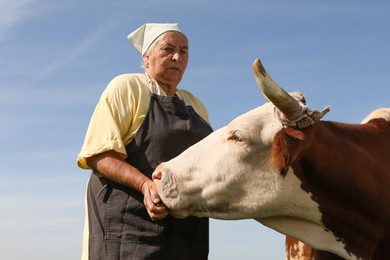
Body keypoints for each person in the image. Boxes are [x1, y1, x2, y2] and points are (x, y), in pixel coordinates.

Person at [77, 23, 212, 259]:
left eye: (184, 51)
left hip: (187, 233)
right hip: (128, 231)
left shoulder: (196, 105)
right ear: (146, 57)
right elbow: (99, 155)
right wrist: (145, 185)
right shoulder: (127, 87)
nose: (177, 57)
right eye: (167, 49)